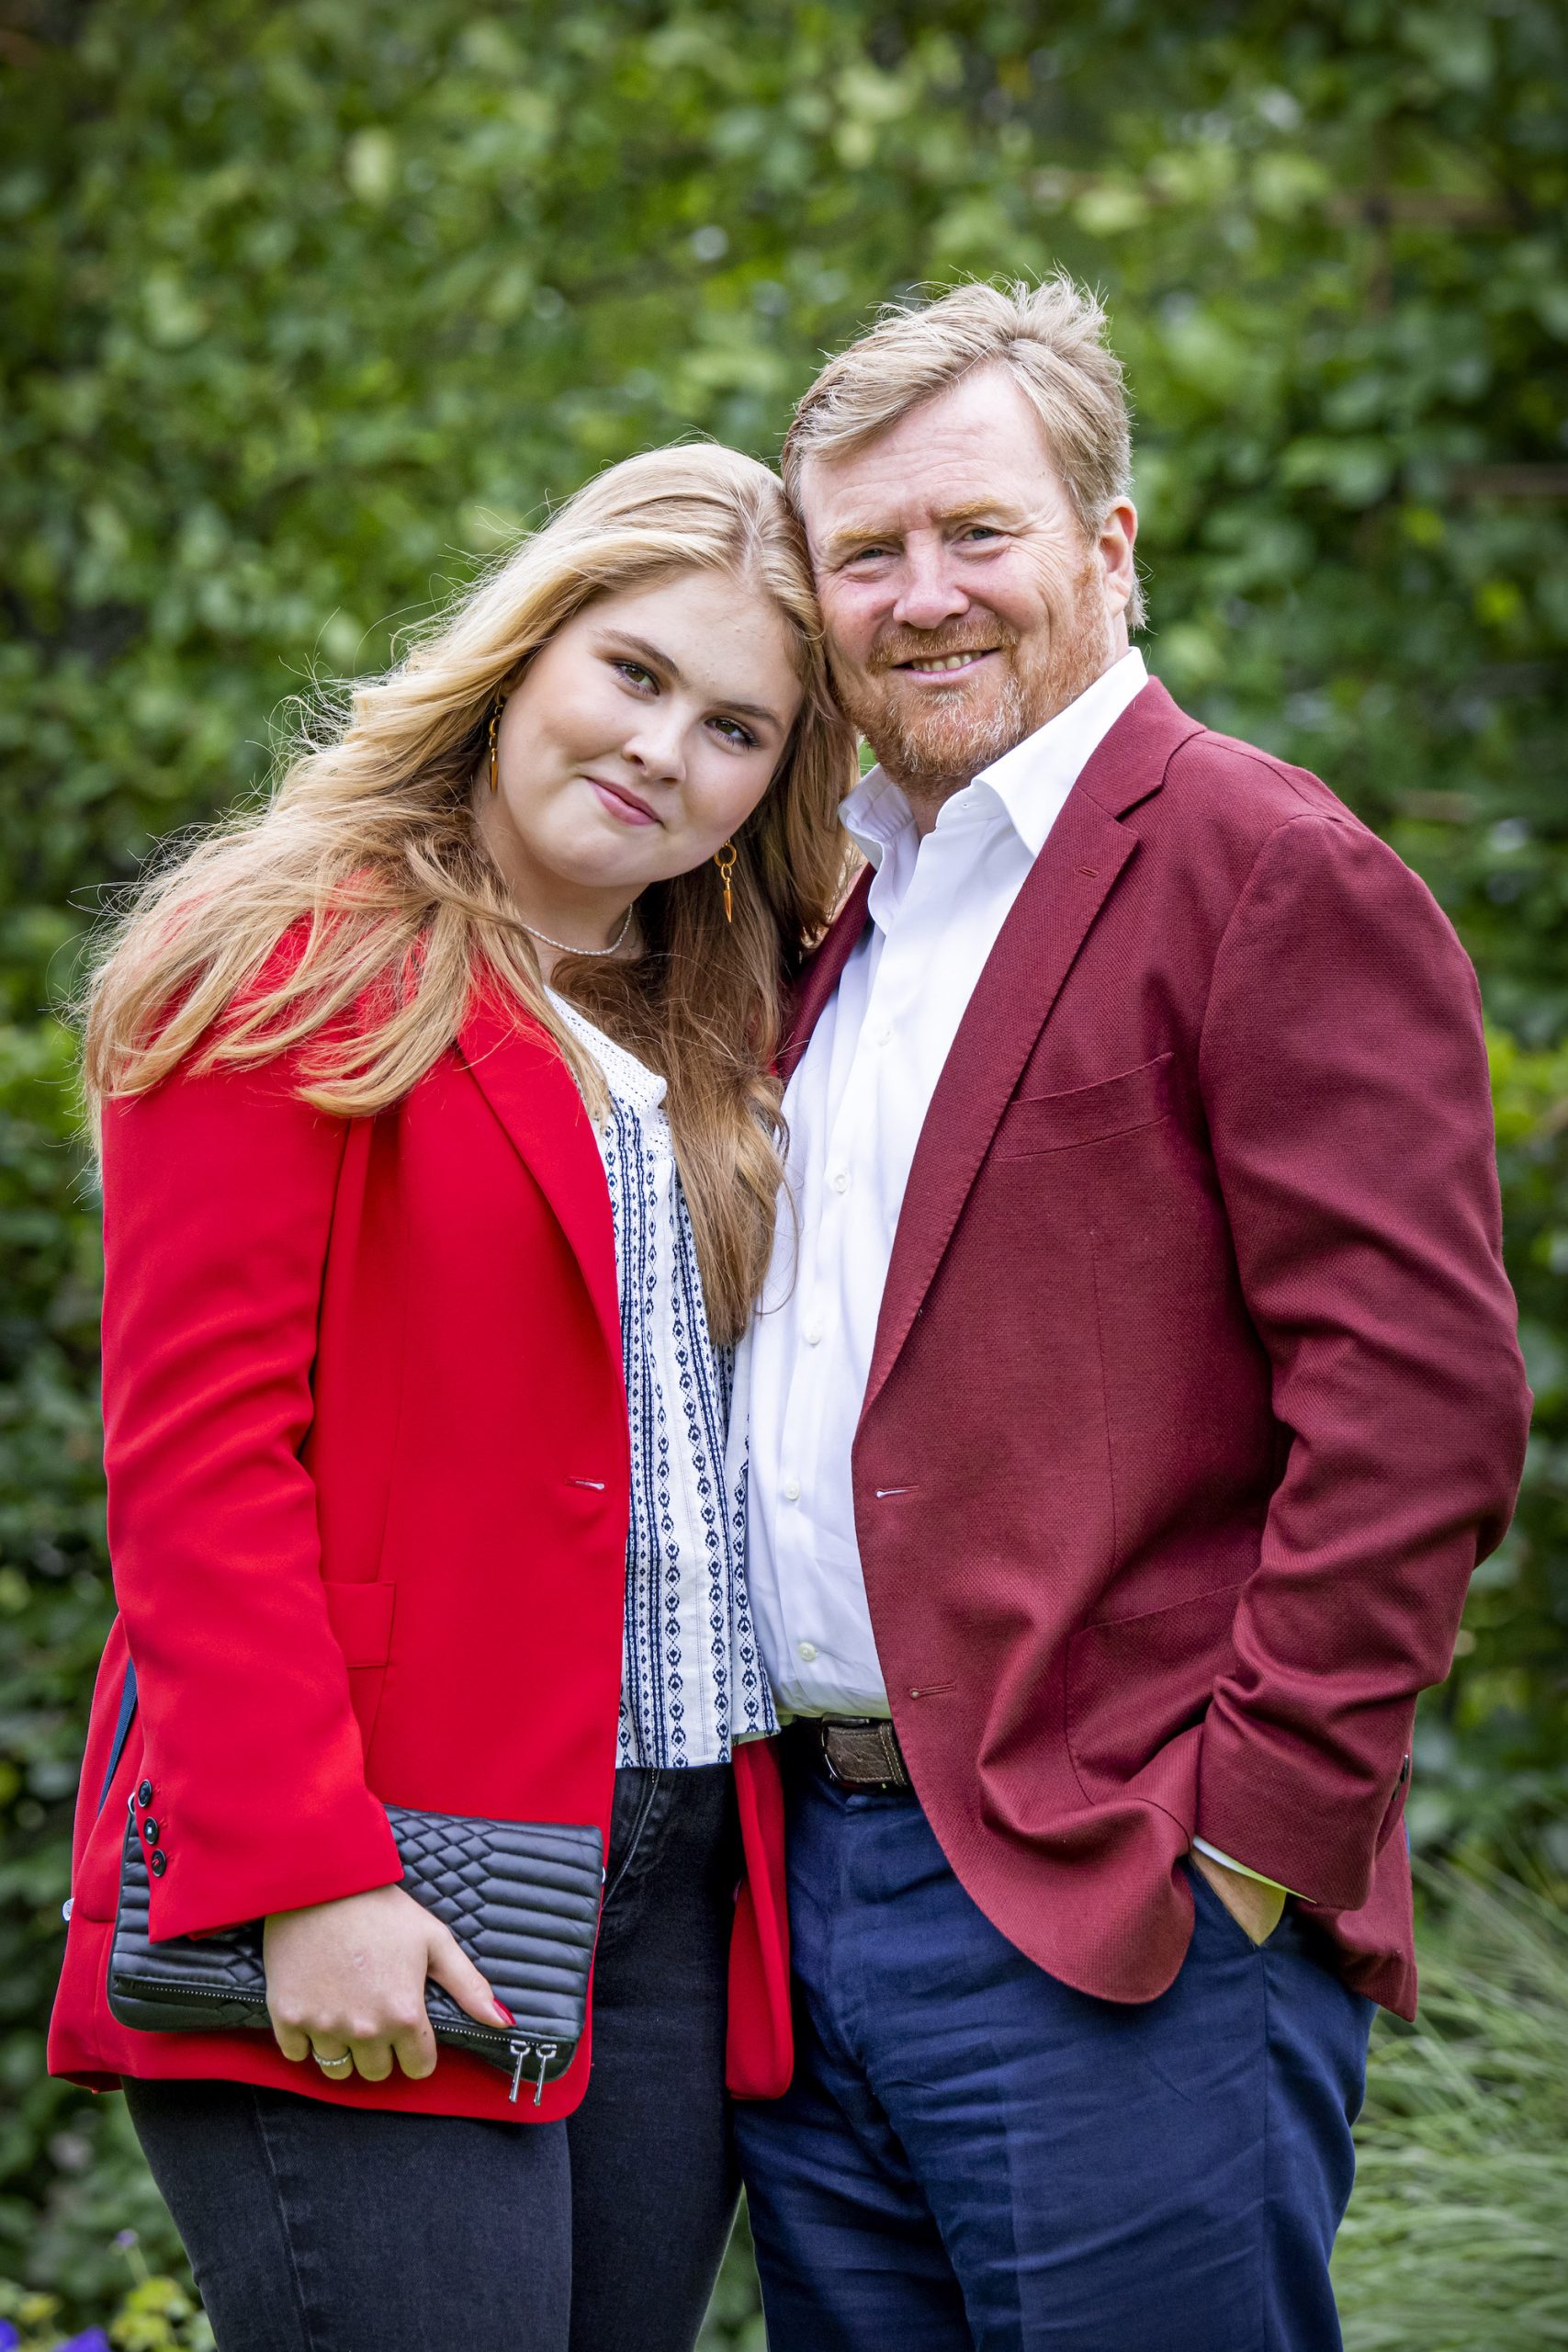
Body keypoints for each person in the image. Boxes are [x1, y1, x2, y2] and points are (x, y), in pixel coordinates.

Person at [732, 277, 1533, 2351]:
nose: (922, 594)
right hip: (805, 1900)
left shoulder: (1266, 869)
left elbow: (1417, 1413)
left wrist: (1240, 1849)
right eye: (866, 551)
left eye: (976, 532)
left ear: (1104, 543)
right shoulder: (846, 909)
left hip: (1117, 1908)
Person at [48, 441, 854, 2352]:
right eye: (633, 674)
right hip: (375, 1854)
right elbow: (200, 1465)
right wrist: (307, 1871)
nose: (666, 749)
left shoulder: (725, 1027)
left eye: (735, 726)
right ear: (521, 648)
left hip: (668, 1887)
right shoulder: (285, 953)